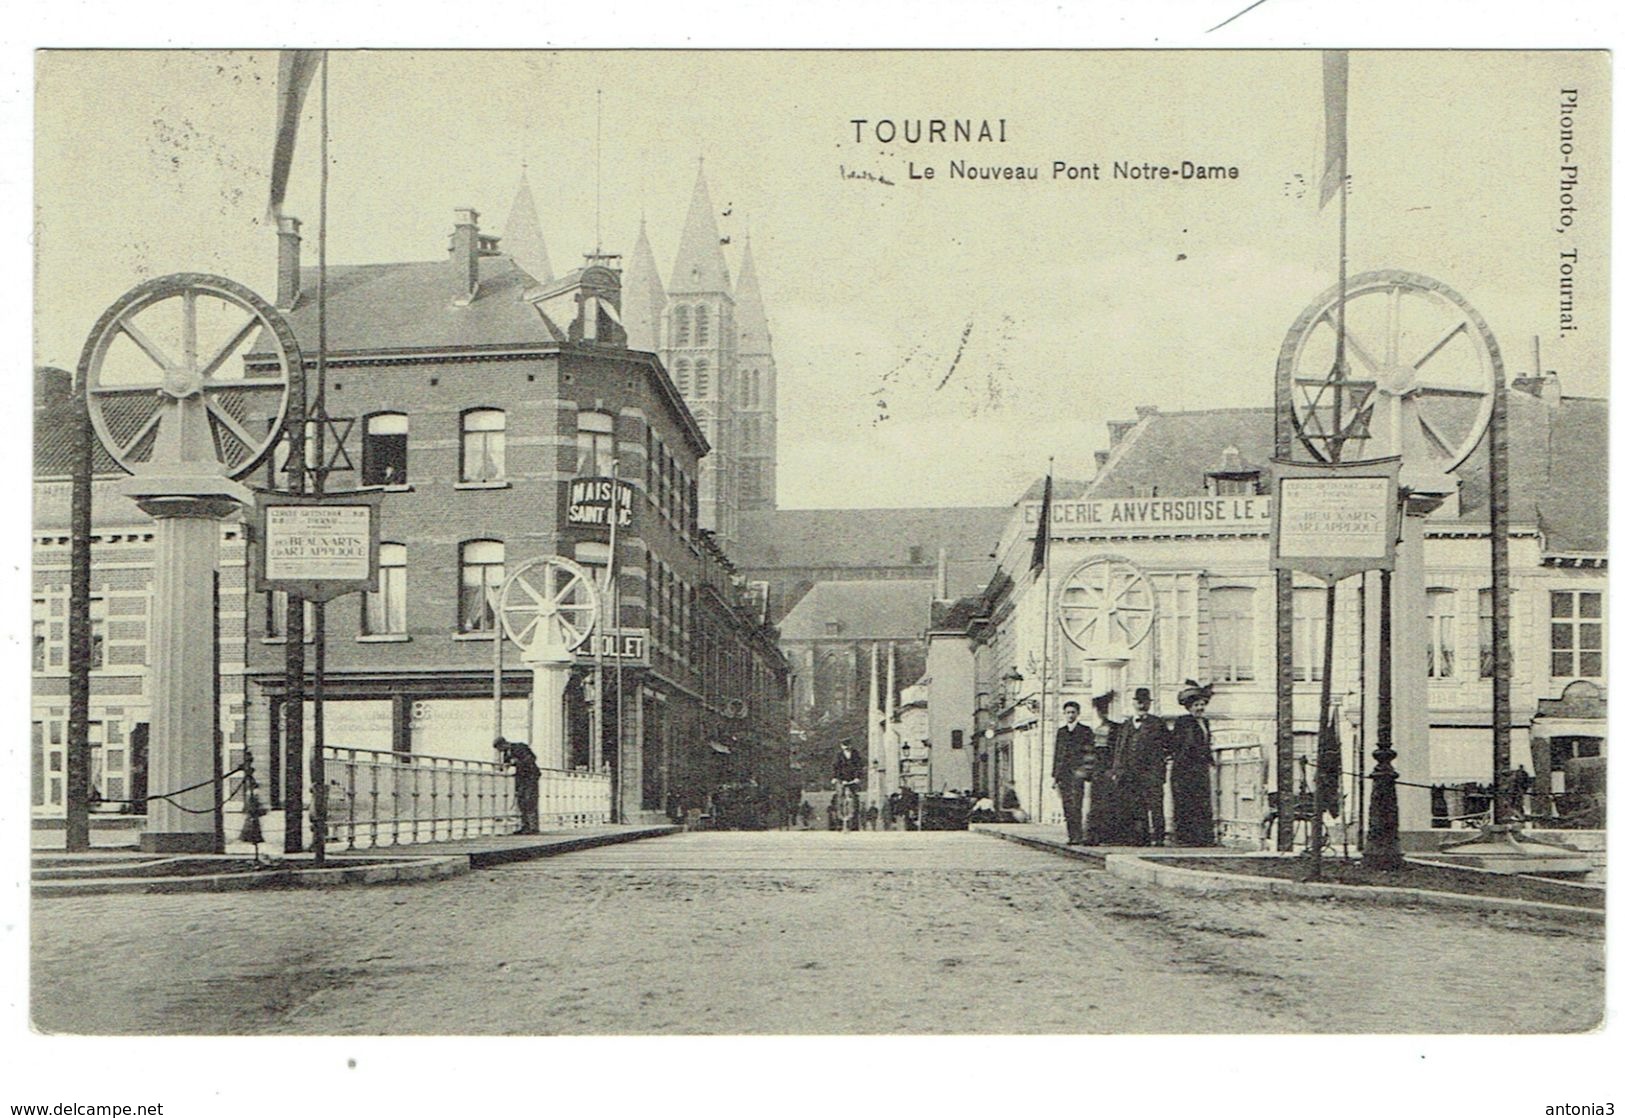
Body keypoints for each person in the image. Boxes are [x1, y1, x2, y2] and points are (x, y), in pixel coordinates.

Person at [1114, 686, 1170, 845]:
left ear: (1149, 704)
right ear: (1133, 703)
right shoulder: (1126, 725)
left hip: (1152, 773)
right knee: (1137, 806)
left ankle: (1159, 838)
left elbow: (1169, 745)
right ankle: (1141, 838)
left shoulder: (1157, 723)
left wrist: (1160, 763)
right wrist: (1118, 769)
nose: (1142, 705)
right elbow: (1120, 749)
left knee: (1156, 805)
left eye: (1145, 702)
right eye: (1139, 702)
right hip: (1131, 773)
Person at [1169, 681, 1218, 846]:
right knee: (1185, 802)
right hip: (1185, 768)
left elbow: (1206, 743)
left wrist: (1210, 760)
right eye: (1196, 705)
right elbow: (1181, 744)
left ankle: (1202, 837)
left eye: (1202, 704)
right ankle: (1185, 837)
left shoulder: (1205, 722)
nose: (1200, 708)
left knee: (1201, 802)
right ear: (1189, 707)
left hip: (1200, 768)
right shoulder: (1183, 721)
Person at [1083, 690, 1132, 845]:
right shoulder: (1097, 730)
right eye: (1099, 710)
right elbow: (1092, 752)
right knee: (1097, 803)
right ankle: (1095, 835)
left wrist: (1116, 769)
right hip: (1099, 771)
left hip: (1112, 771)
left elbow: (1121, 751)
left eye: (1104, 710)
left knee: (1113, 803)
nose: (1101, 713)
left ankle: (1112, 836)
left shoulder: (1119, 729)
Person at [1051, 700, 1093, 844]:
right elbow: (1057, 754)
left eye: (1073, 712)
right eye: (1068, 712)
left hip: (1077, 774)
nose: (1070, 715)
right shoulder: (1061, 732)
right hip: (1064, 775)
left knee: (1077, 805)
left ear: (1078, 714)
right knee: (1067, 806)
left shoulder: (1085, 731)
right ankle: (1071, 836)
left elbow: (1089, 753)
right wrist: (1054, 776)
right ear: (1064, 714)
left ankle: (1078, 835)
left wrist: (1086, 772)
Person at [495, 737, 541, 834]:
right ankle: (525, 826)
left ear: (503, 744)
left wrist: (517, 762)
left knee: (530, 800)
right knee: (521, 801)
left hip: (530, 776)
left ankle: (533, 827)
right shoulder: (506, 753)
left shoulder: (520, 746)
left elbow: (531, 758)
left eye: (500, 749)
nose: (500, 751)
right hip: (520, 778)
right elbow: (507, 764)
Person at [832, 737, 864, 831]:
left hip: (852, 779)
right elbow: (836, 767)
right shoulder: (838, 755)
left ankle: (854, 823)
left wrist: (857, 777)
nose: (846, 747)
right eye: (844, 746)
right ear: (841, 746)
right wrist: (835, 778)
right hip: (841, 779)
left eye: (848, 745)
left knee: (854, 798)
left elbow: (859, 766)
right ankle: (839, 822)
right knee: (839, 798)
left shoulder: (855, 754)